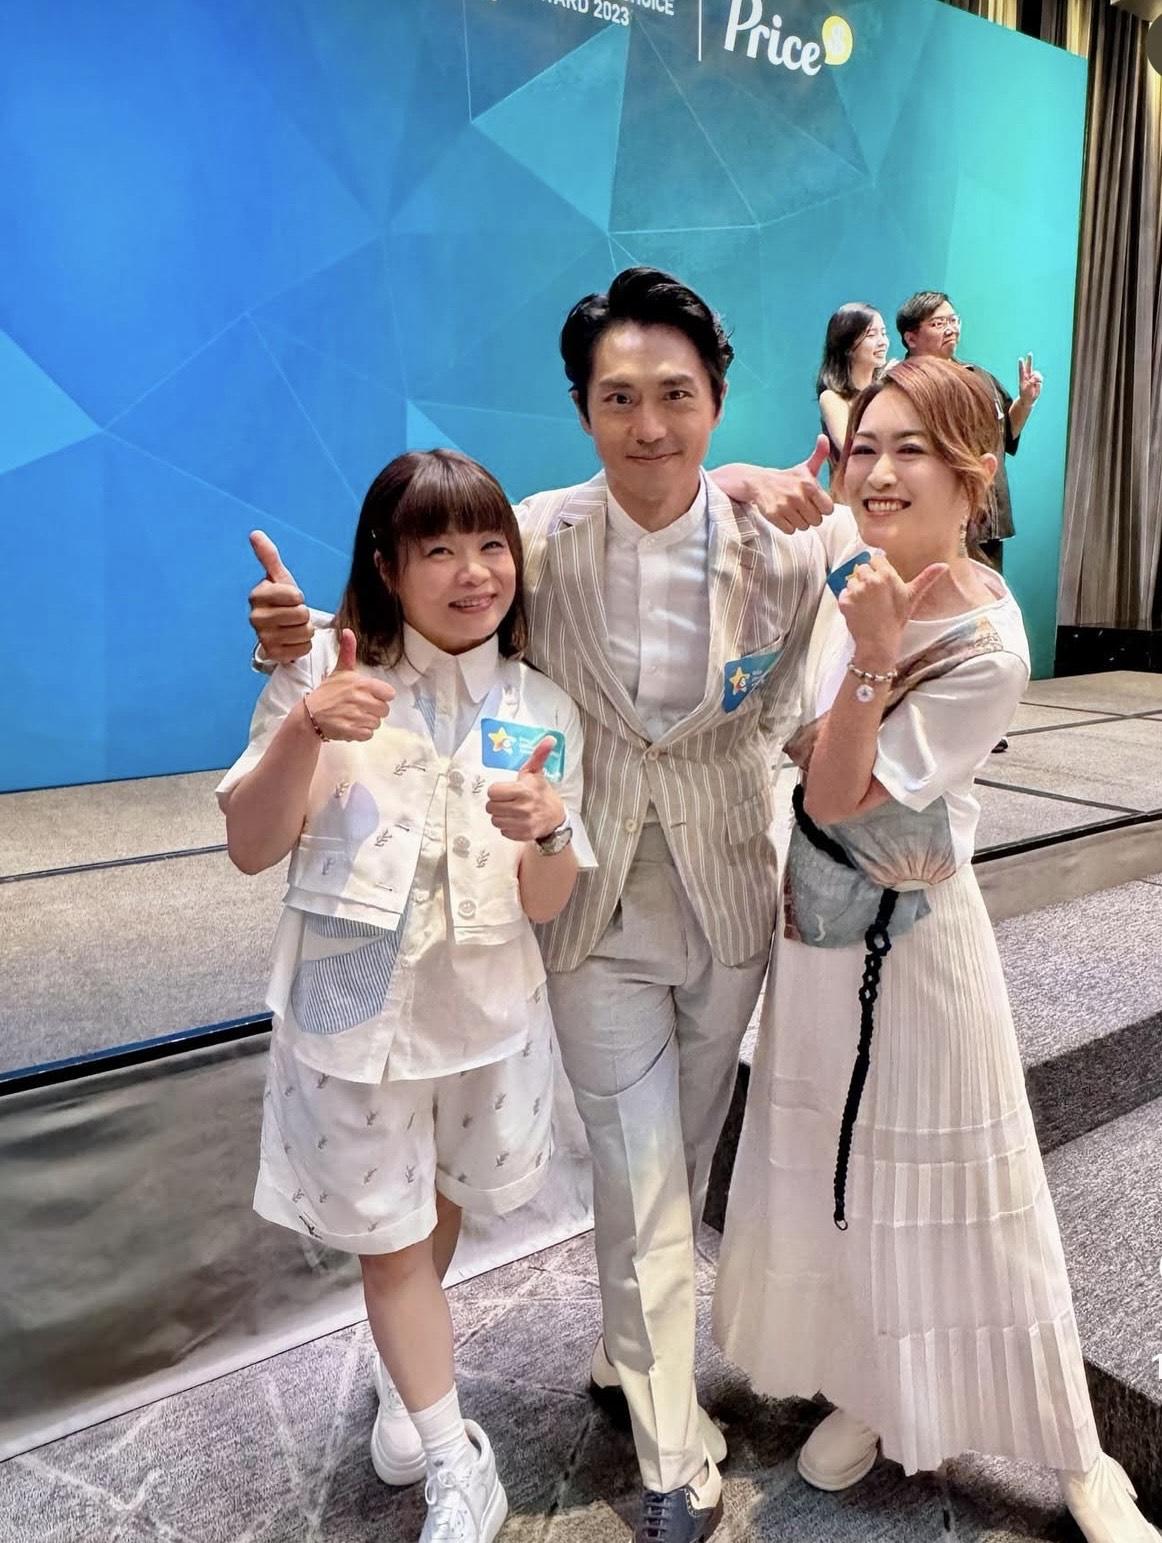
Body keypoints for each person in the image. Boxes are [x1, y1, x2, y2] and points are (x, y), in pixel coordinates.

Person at [247, 268, 845, 1543]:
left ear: (716, 399)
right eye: (618, 398)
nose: (648, 425)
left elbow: (792, 706)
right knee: (637, 1169)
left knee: (684, 1151)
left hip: (727, 885)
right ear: (581, 410)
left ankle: (628, 1352)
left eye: (675, 396)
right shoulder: (532, 538)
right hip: (584, 895)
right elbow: (402, 593)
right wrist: (284, 653)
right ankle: (672, 1452)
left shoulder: (785, 552)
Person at [712, 358, 1159, 1543]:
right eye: (866, 446)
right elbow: (730, 549)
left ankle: (1076, 1451)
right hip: (815, 934)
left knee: (969, 1189)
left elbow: (841, 788)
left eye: (911, 448)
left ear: (973, 474)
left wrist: (865, 657)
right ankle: (870, 1387)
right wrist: (739, 482)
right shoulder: (844, 559)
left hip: (912, 953)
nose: (878, 471)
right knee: (840, 1168)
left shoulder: (987, 640)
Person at [219, 449, 593, 1543]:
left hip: (482, 1016)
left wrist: (553, 832)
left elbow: (545, 900)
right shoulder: (325, 675)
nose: (474, 572)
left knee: (435, 1206)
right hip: (354, 1019)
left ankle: (401, 1374)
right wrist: (304, 722)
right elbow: (250, 845)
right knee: (386, 1239)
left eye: (490, 546)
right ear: (386, 566)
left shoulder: (541, 705)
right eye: (438, 549)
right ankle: (454, 1461)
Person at [896, 289, 1043, 570]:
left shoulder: (978, 377)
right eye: (938, 323)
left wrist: (1025, 401)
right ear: (911, 338)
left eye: (953, 320)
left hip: (986, 520)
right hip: (934, 522)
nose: (950, 329)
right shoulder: (901, 387)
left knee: (984, 593)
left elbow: (1004, 433)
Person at [816, 302, 889, 473]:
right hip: (852, 487)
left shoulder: (888, 389)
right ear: (847, 345)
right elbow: (852, 449)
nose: (882, 342)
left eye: (884, 333)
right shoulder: (832, 398)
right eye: (871, 335)